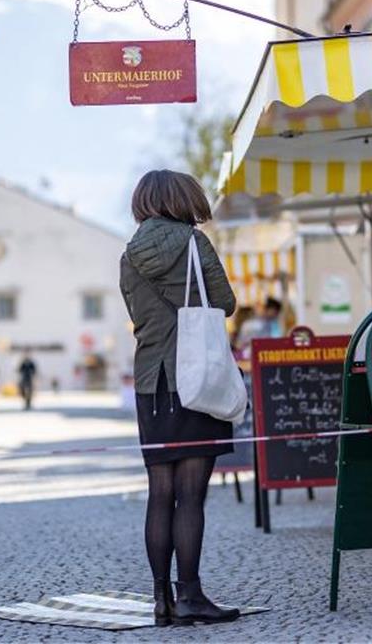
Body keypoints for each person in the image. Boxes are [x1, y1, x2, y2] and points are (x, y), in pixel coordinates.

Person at [119, 169, 241, 626]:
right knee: (190, 496)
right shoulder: (194, 243)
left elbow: (137, 314)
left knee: (159, 494)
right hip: (196, 379)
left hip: (152, 383)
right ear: (182, 199)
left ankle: (160, 600)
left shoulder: (128, 255)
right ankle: (190, 595)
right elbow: (225, 302)